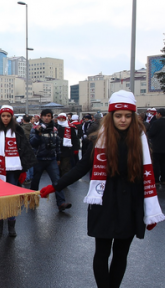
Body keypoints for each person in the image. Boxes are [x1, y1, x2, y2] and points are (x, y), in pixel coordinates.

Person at [40, 90, 165, 288]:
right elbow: (81, 167)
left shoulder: (141, 141)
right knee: (102, 252)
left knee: (121, 254)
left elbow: (146, 177)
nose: (123, 120)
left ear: (133, 117)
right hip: (103, 201)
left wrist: (149, 210)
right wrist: (55, 186)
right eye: (118, 115)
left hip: (130, 205)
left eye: (127, 116)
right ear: (111, 116)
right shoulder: (99, 140)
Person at [0, 105, 36, 237]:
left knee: (11, 198)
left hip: (13, 170)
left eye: (8, 116)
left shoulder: (18, 131)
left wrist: (24, 170)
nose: (5, 118)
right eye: (3, 116)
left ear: (12, 117)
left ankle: (11, 226)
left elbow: (25, 150)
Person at [30, 109, 71, 211]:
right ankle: (32, 200)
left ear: (52, 117)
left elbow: (57, 145)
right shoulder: (35, 128)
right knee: (35, 181)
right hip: (38, 159)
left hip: (51, 159)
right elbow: (32, 143)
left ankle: (61, 203)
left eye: (48, 116)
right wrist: (38, 135)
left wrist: (58, 158)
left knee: (57, 181)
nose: (46, 118)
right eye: (44, 116)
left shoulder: (55, 129)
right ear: (41, 117)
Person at [148, 108, 165, 186]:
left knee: (156, 164)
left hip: (157, 147)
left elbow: (151, 134)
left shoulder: (156, 123)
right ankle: (164, 179)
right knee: (163, 163)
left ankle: (156, 180)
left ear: (159, 114)